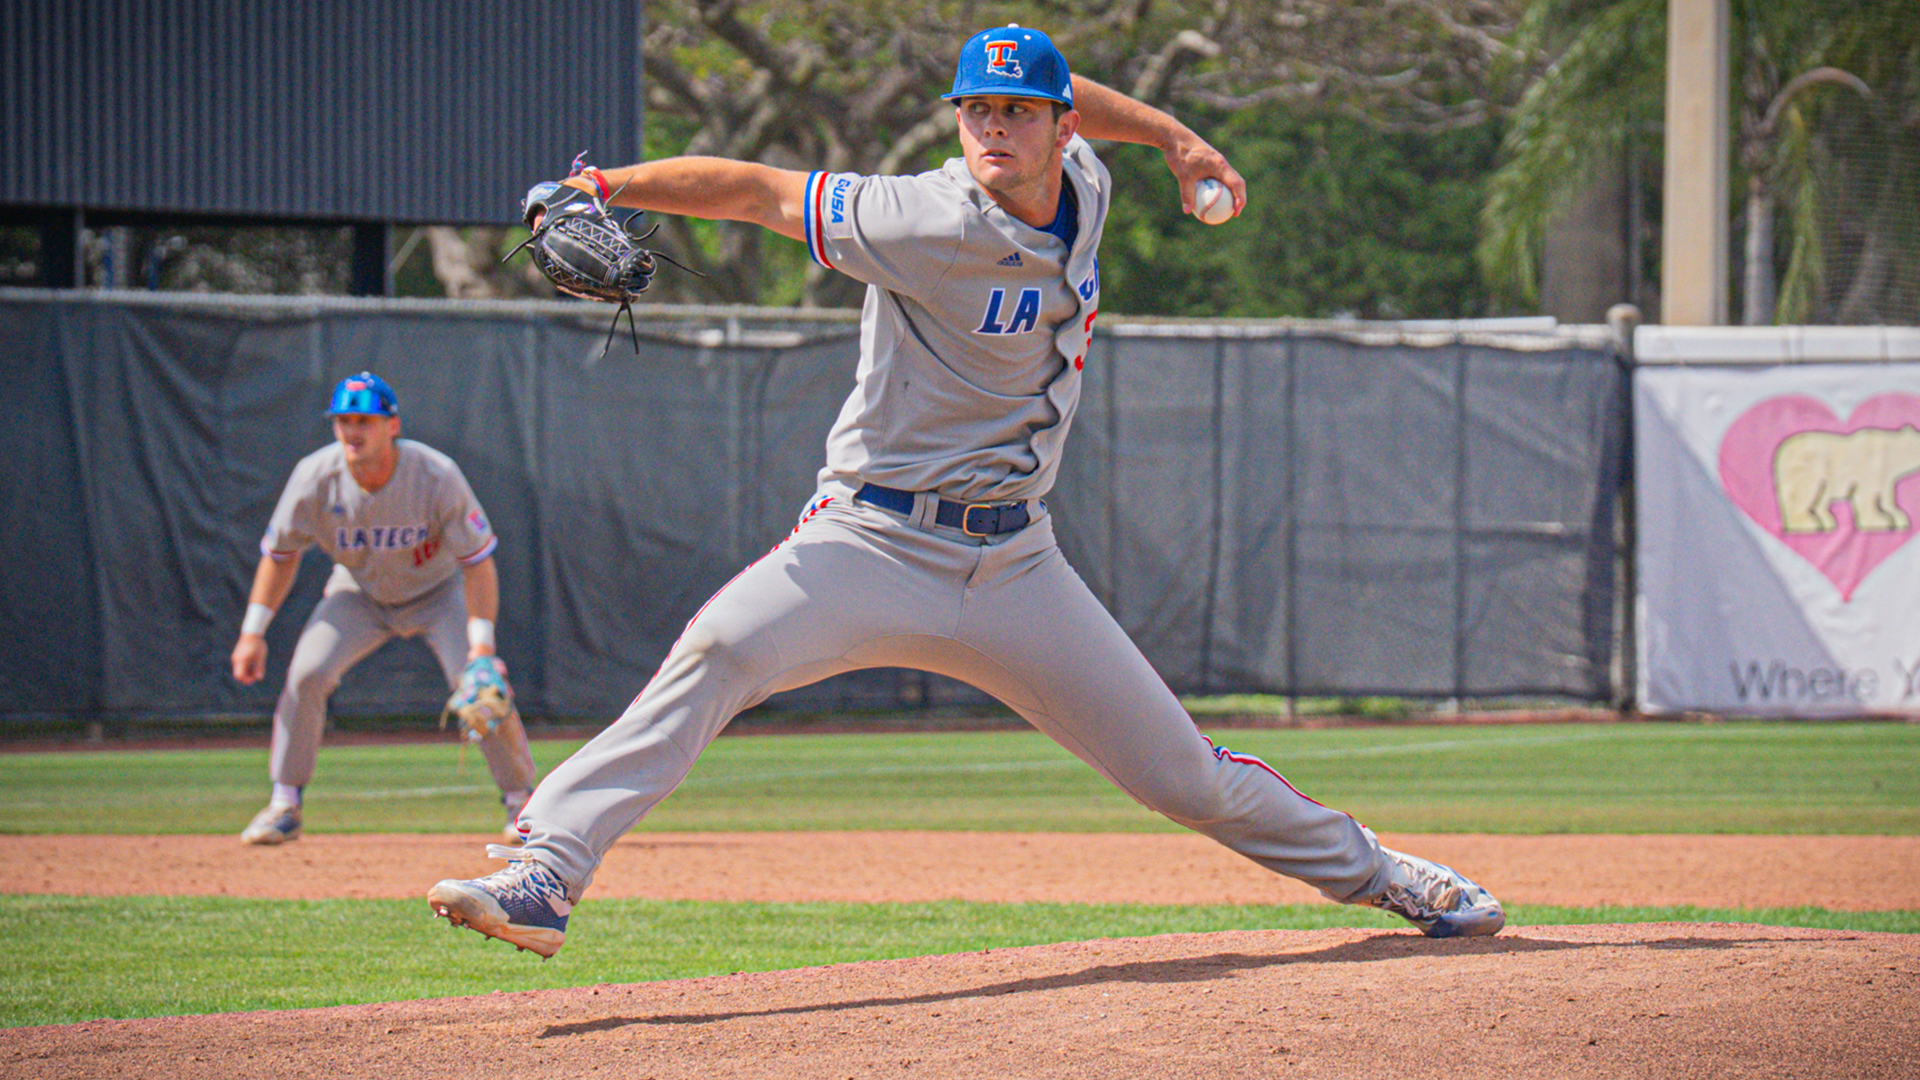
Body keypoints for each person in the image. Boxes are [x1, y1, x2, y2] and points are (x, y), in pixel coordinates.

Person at [428, 25, 1502, 957]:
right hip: (872, 542)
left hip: (1016, 563)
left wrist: (1173, 136)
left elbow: (1094, 105)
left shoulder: (1086, 182)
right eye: (976, 109)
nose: (995, 128)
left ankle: (1385, 876)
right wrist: (606, 186)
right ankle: (547, 871)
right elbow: (757, 191)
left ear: (1059, 127)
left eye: (1018, 111)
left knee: (1183, 776)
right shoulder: (915, 218)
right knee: (722, 652)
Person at [230, 371, 538, 846]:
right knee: (307, 674)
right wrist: (253, 632)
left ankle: (524, 806)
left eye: (365, 421)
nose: (353, 431)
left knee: (480, 686)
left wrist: (481, 646)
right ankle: (284, 804)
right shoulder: (315, 478)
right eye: (344, 421)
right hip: (359, 594)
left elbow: (477, 563)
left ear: (392, 425)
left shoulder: (435, 474)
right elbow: (280, 556)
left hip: (439, 594)